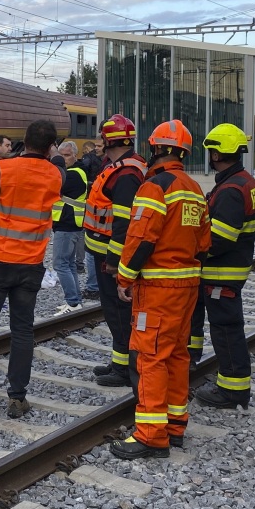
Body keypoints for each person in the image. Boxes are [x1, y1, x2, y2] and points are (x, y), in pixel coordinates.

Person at [111, 119, 210, 459]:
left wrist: (124, 278)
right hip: (187, 287)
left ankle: (151, 436)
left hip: (157, 287)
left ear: (156, 148)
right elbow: (203, 242)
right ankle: (173, 426)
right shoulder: (194, 189)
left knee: (150, 356)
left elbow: (140, 239)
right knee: (178, 354)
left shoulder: (155, 187)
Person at [0, 120, 65, 419]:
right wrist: (54, 154)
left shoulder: (4, 168)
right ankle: (17, 398)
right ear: (49, 146)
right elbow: (62, 169)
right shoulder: (55, 175)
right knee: (22, 330)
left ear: (23, 142)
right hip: (30, 263)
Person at [190, 124, 255, 409]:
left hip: (222, 273)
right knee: (225, 326)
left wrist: (191, 249)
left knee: (226, 329)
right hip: (232, 269)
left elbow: (220, 239)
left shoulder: (231, 189)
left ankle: (232, 390)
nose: (209, 155)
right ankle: (225, 381)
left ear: (218, 152)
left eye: (211, 150)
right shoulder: (244, 181)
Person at [82, 114, 148, 387]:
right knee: (114, 313)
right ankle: (118, 363)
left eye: (101, 138)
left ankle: (124, 370)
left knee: (119, 313)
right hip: (105, 253)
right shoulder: (120, 167)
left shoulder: (126, 174)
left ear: (109, 139)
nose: (99, 143)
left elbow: (124, 223)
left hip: (112, 258)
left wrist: (114, 261)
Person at [49, 140, 88, 314]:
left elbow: (52, 187)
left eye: (66, 155)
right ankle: (76, 301)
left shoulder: (73, 174)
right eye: (61, 155)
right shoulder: (76, 172)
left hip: (67, 224)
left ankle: (72, 302)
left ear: (75, 155)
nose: (63, 159)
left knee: (60, 264)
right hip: (69, 224)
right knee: (69, 264)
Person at [78, 140, 104, 298]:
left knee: (92, 252)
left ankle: (93, 287)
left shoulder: (90, 159)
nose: (96, 149)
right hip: (99, 215)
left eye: (100, 146)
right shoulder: (108, 163)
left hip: (96, 214)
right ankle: (96, 286)